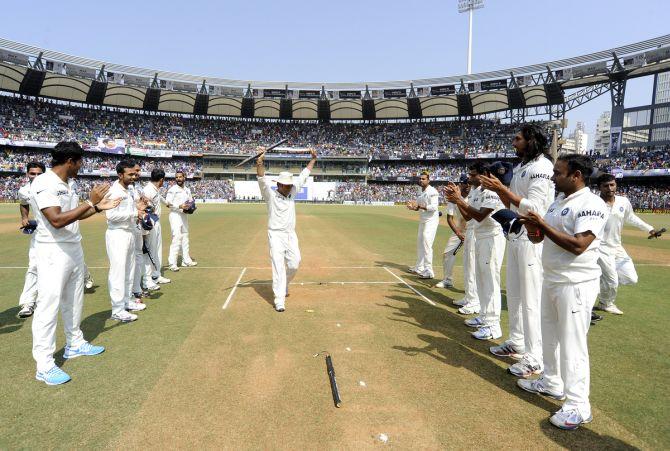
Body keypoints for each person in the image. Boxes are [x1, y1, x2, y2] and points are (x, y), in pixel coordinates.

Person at [517, 154, 609, 430]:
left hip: (576, 284)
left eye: (558, 173)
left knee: (573, 345)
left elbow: (579, 245)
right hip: (553, 278)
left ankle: (579, 405)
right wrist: (534, 229)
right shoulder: (559, 202)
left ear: (576, 175)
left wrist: (541, 224)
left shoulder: (592, 204)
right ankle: (552, 381)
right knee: (550, 336)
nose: (554, 177)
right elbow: (541, 238)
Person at [29, 141, 120, 385]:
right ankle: (45, 364)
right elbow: (57, 220)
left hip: (73, 248)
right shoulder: (44, 183)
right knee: (48, 306)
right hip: (52, 251)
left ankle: (75, 343)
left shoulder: (69, 183)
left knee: (74, 299)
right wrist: (90, 203)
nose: (81, 167)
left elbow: (76, 215)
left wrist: (99, 208)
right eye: (79, 162)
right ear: (70, 161)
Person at [480, 124, 555, 377]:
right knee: (513, 294)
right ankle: (517, 342)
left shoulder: (542, 167)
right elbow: (512, 203)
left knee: (531, 300)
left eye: (518, 139)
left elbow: (535, 208)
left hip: (532, 239)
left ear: (531, 140)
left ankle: (535, 358)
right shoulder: (522, 166)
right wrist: (499, 191)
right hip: (515, 235)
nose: (514, 143)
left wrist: (503, 190)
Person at [446, 162, 506, 340]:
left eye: (473, 175)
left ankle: (493, 326)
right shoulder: (477, 192)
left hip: (492, 238)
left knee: (490, 281)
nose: (469, 178)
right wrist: (457, 201)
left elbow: (480, 216)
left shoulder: (491, 193)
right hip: (480, 236)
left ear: (484, 174)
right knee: (481, 278)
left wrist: (459, 199)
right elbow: (468, 216)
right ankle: (484, 316)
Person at [256, 148, 317, 312]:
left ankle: (284, 285)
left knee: (294, 263)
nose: (290, 187)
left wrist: (313, 159)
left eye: (291, 185)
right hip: (275, 235)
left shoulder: (293, 190)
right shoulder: (270, 194)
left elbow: (304, 175)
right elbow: (261, 178)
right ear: (279, 184)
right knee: (278, 266)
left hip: (291, 234)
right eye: (287, 185)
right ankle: (279, 299)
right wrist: (260, 161)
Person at [595, 173, 658, 315]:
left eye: (612, 185)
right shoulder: (594, 203)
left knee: (631, 278)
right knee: (612, 279)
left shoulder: (623, 201)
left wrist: (650, 229)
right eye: (606, 186)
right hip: (600, 246)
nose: (610, 188)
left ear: (616, 185)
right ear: (599, 187)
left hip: (617, 246)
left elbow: (632, 218)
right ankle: (605, 303)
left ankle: (600, 277)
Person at [105, 160, 147, 323]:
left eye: (134, 174)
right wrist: (134, 213)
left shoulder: (128, 190)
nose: (133, 177)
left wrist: (138, 209)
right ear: (120, 174)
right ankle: (117, 309)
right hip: (117, 234)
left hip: (128, 232)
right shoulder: (115, 191)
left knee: (129, 269)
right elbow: (111, 216)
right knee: (118, 271)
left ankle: (127, 300)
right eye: (130, 174)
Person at [17, 161, 46, 318]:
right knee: (33, 266)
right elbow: (23, 203)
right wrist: (24, 217)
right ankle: (28, 303)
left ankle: (84, 274)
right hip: (40, 234)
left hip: (60, 233)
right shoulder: (24, 190)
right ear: (27, 174)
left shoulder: (52, 186)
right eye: (32, 173)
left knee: (73, 263)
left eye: (39, 174)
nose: (35, 177)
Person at [435, 174, 469, 290]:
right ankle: (447, 280)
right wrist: (458, 234)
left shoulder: (475, 194)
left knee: (472, 260)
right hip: (460, 230)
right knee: (447, 254)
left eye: (469, 182)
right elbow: (449, 218)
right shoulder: (453, 198)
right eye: (465, 183)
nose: (468, 185)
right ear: (460, 184)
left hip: (475, 231)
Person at [406, 172, 440, 279]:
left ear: (428, 180)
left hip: (431, 221)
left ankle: (429, 271)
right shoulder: (420, 191)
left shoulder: (432, 191)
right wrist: (412, 207)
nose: (421, 180)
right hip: (423, 220)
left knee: (426, 244)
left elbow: (434, 207)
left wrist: (419, 206)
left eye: (423, 179)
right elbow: (418, 207)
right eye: (420, 178)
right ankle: (419, 267)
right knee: (420, 243)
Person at [143, 168, 172, 286]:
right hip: (151, 223)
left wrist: (169, 203)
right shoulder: (148, 190)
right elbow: (146, 208)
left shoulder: (154, 189)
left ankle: (156, 275)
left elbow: (160, 199)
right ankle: (148, 279)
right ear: (161, 180)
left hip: (156, 222)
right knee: (151, 251)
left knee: (157, 250)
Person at [166, 170, 197, 271]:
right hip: (175, 215)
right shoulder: (172, 189)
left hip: (184, 215)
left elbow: (190, 201)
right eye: (176, 177)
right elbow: (168, 203)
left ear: (184, 177)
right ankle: (172, 263)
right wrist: (179, 206)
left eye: (180, 177)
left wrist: (192, 206)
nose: (178, 179)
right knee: (177, 238)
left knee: (185, 237)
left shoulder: (187, 189)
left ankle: (186, 260)